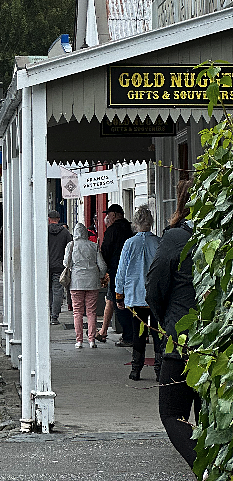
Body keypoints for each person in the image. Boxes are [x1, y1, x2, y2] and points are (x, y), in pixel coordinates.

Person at [146, 180, 200, 471]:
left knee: (172, 413)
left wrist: (165, 318)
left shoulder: (177, 238)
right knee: (211, 415)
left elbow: (154, 286)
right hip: (219, 340)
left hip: (181, 338)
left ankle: (205, 469)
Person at [115, 205, 162, 380]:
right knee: (157, 331)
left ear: (136, 223)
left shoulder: (129, 243)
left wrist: (119, 295)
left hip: (135, 294)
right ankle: (159, 368)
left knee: (138, 333)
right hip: (155, 295)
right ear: (151, 222)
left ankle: (136, 369)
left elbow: (121, 271)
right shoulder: (158, 242)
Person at [64, 222, 107, 348]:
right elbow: (102, 266)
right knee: (91, 312)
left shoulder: (71, 246)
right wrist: (99, 275)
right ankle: (92, 340)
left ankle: (79, 340)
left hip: (76, 282)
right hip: (92, 282)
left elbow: (66, 263)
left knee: (77, 312)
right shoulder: (94, 246)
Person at [98, 203, 134, 345]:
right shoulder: (130, 229)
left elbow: (105, 251)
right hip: (132, 271)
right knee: (132, 302)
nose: (107, 217)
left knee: (119, 302)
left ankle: (128, 336)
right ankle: (137, 333)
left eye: (108, 215)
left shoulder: (112, 230)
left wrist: (105, 269)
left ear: (113, 215)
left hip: (116, 270)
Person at [48, 210, 73, 325]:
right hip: (59, 266)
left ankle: (47, 313)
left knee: (46, 291)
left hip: (46, 266)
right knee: (57, 291)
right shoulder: (65, 232)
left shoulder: (44, 231)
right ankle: (54, 316)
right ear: (58, 219)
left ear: (49, 219)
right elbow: (70, 247)